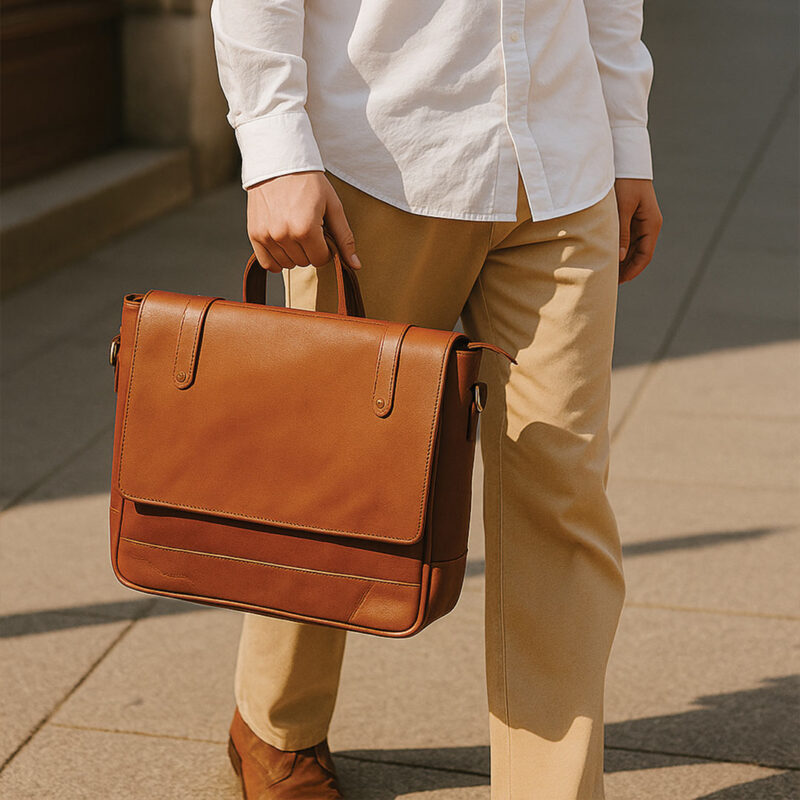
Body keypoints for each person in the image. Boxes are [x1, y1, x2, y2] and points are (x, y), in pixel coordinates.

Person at [210, 1, 662, 797]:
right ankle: (277, 726)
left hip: (563, 158)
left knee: (561, 494)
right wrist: (275, 147)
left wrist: (628, 138)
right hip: (378, 158)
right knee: (333, 477)